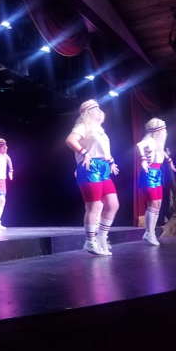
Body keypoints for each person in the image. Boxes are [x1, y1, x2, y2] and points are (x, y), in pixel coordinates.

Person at [66, 99, 119, 256]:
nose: (99, 111)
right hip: (90, 167)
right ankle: (90, 242)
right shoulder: (82, 126)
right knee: (94, 207)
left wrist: (111, 162)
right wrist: (84, 152)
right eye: (96, 109)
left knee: (113, 204)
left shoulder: (99, 130)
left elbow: (103, 149)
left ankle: (102, 237)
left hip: (103, 167)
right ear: (88, 112)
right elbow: (70, 140)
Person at [136, 118, 176, 245]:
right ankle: (149, 233)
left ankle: (150, 232)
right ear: (158, 131)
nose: (166, 132)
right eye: (164, 129)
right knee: (153, 202)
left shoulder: (158, 142)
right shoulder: (149, 140)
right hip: (149, 173)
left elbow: (161, 151)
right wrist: (143, 159)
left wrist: (169, 161)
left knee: (158, 203)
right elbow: (139, 145)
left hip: (157, 173)